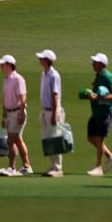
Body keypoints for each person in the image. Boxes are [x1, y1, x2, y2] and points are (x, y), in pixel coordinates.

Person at [85, 52, 112, 176]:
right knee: (91, 138)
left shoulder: (107, 76)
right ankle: (111, 157)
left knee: (99, 140)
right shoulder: (99, 75)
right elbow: (98, 95)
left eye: (95, 62)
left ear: (101, 64)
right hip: (96, 112)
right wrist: (91, 95)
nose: (93, 64)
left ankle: (98, 167)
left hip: (104, 113)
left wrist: (100, 98)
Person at [36, 49, 65, 177]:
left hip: (53, 111)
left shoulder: (54, 75)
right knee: (47, 140)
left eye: (42, 58)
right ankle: (52, 166)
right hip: (45, 110)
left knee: (55, 139)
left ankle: (58, 168)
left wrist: (54, 114)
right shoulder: (44, 74)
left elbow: (55, 95)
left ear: (47, 61)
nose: (39, 60)